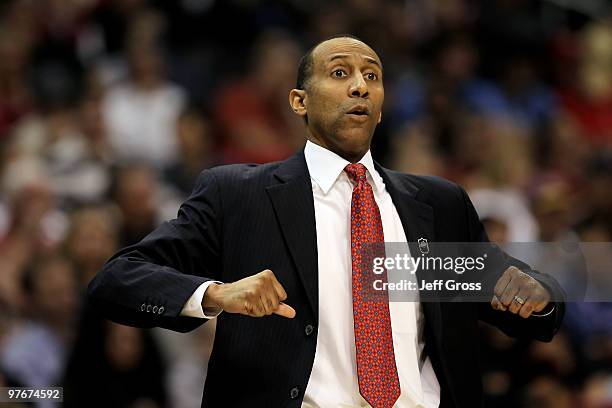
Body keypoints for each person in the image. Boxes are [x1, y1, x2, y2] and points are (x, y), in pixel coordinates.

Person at [88, 36, 565, 408]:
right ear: (299, 101)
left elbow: (523, 293)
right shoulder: (239, 196)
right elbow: (117, 280)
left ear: (380, 106)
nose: (359, 85)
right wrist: (215, 294)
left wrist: (536, 295)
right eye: (340, 73)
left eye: (372, 77)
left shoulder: (437, 206)